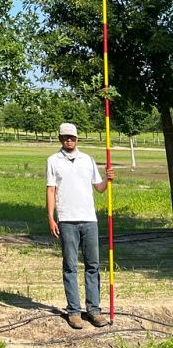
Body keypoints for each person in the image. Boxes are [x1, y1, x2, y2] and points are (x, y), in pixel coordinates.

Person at [46, 122, 114, 328]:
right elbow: (51, 190)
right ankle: (74, 311)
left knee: (93, 265)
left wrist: (108, 180)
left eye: (72, 137)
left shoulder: (87, 160)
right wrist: (51, 217)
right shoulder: (53, 161)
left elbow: (99, 188)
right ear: (60, 138)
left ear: (77, 139)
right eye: (65, 137)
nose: (69, 140)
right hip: (67, 220)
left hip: (89, 220)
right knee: (70, 266)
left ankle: (94, 310)